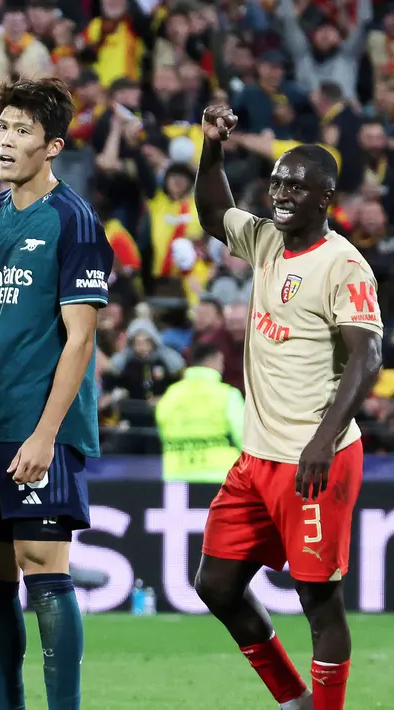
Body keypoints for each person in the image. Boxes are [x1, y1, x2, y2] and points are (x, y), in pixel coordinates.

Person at [0, 77, 113, 710]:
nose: (6, 141)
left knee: (42, 565)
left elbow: (81, 340)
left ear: (53, 145)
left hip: (39, 427)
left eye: (22, 131)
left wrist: (45, 434)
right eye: (2, 127)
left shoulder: (75, 221)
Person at [192, 105, 384, 710]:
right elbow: (211, 213)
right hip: (257, 459)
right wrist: (212, 148)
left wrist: (324, 439)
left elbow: (369, 355)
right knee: (216, 584)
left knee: (318, 600)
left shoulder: (344, 264)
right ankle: (293, 700)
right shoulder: (267, 239)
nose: (281, 193)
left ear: (325, 197)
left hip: (314, 459)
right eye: (276, 181)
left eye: (296, 185)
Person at [155, 341, 245, 483]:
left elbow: (162, 429)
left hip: (176, 476)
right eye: (221, 362)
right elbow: (244, 436)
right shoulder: (227, 394)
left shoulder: (171, 394)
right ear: (213, 361)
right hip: (219, 476)